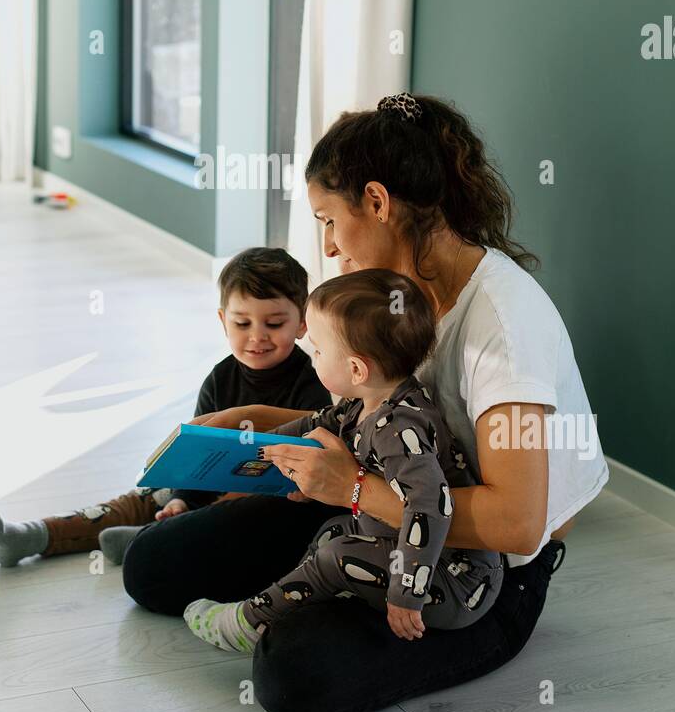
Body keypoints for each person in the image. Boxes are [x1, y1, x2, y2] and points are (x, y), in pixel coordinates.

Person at [123, 92, 608, 712]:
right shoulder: (388, 298)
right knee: (153, 565)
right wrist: (257, 422)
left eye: (329, 219)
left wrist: (350, 490)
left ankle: (304, 597)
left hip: (478, 576)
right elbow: (365, 418)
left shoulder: (504, 326)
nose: (327, 246)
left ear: (377, 203)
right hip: (378, 519)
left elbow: (520, 524)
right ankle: (311, 580)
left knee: (293, 674)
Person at [184, 269, 502, 653]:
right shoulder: (362, 404)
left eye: (318, 349)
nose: (312, 355)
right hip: (412, 556)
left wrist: (406, 594)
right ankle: (289, 611)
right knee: (331, 534)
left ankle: (248, 622)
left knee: (339, 553)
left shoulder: (398, 426)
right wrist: (242, 445)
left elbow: (431, 507)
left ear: (355, 369)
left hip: (455, 581)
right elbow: (310, 427)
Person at [0, 247, 330, 567]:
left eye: (274, 324)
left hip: (265, 501)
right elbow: (196, 453)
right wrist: (181, 499)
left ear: (301, 323)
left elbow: (317, 436)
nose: (257, 336)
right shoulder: (220, 379)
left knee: (236, 507)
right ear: (223, 320)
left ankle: (148, 540)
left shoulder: (312, 379)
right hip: (203, 488)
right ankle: (32, 535)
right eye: (242, 323)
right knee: (141, 499)